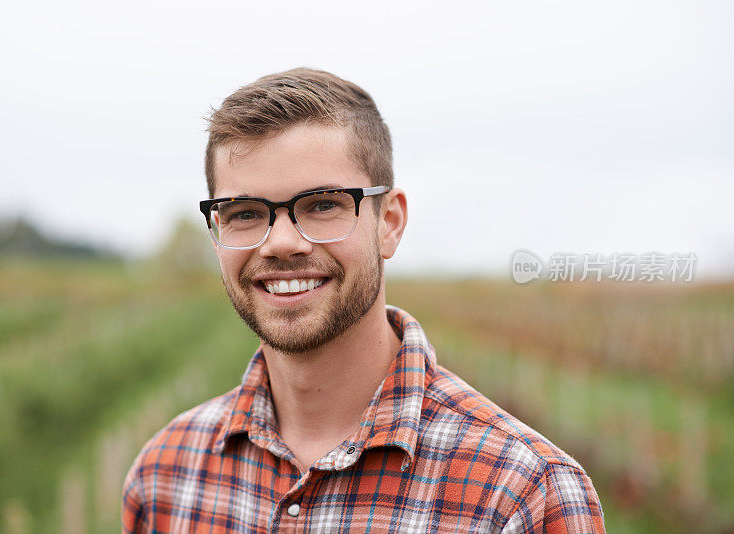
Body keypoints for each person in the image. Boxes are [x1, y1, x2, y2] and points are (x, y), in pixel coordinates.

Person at [121, 68, 605, 533]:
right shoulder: (164, 477)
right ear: (216, 233)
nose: (281, 242)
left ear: (389, 223)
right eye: (245, 213)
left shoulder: (521, 495)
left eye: (324, 204)